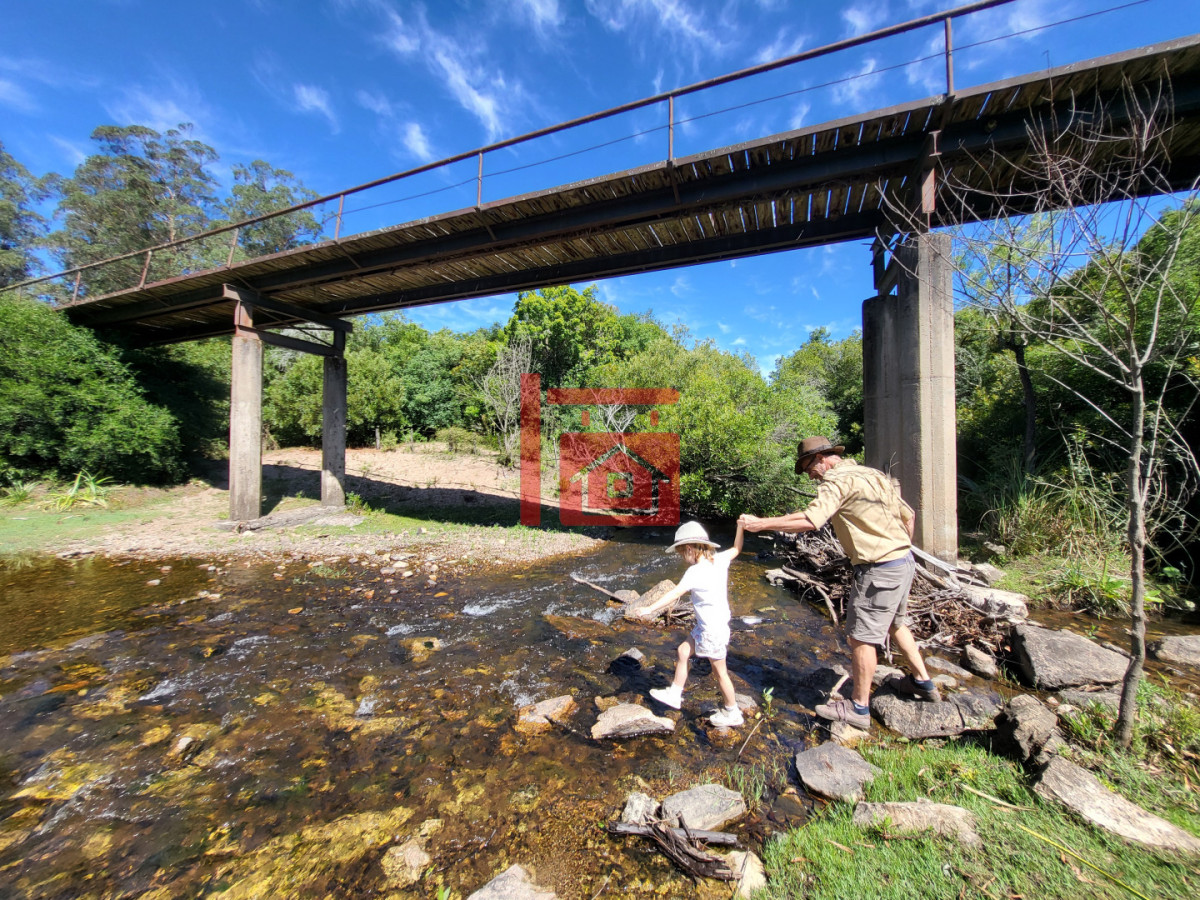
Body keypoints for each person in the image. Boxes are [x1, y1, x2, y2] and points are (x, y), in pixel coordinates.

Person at [739, 436, 938, 730]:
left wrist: (760, 524)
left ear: (821, 458)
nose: (809, 475)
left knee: (861, 638)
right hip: (903, 561)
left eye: (808, 468)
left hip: (879, 568)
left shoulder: (835, 482)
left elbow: (811, 519)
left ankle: (858, 708)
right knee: (896, 623)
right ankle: (923, 682)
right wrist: (897, 547)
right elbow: (909, 516)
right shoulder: (873, 475)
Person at [633, 519, 745, 728]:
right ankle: (675, 693)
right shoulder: (719, 560)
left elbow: (674, 593)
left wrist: (649, 609)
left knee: (720, 672)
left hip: (711, 630)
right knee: (684, 650)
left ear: (691, 549)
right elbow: (737, 548)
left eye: (682, 552)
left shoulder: (695, 572)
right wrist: (740, 527)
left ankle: (733, 711)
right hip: (711, 626)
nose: (683, 558)